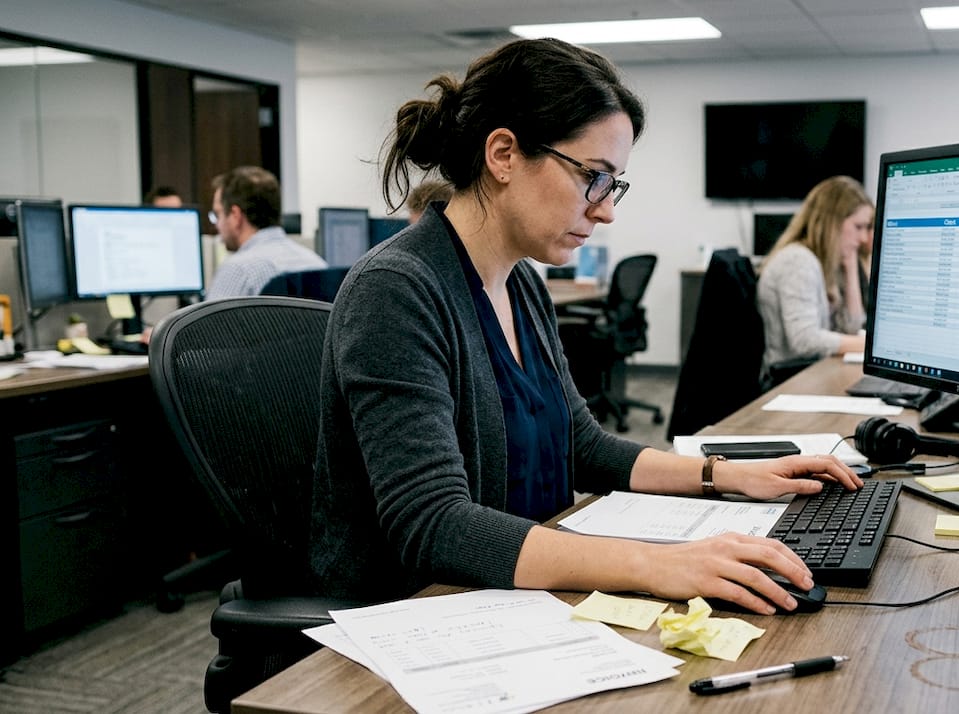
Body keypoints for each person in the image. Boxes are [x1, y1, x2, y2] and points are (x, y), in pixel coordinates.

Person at [309, 38, 861, 614]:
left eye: (613, 183)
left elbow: (581, 446)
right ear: (503, 154)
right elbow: (433, 523)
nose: (606, 209)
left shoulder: (520, 281)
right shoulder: (397, 289)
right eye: (593, 176)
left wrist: (725, 475)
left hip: (520, 593)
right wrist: (657, 563)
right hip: (420, 617)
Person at [756, 175, 874, 371]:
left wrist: (851, 266)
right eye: (858, 227)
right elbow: (804, 340)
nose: (863, 238)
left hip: (807, 371)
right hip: (786, 377)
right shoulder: (797, 261)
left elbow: (852, 328)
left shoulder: (822, 263)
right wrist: (870, 346)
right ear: (832, 223)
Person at [206, 166, 326, 299]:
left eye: (218, 214)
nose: (216, 224)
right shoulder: (316, 263)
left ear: (235, 216)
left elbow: (206, 320)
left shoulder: (238, 271)